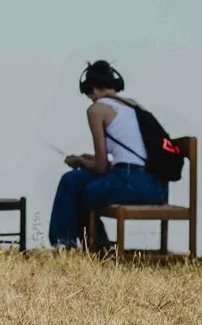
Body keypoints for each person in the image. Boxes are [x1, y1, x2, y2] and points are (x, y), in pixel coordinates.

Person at [46, 60, 169, 251]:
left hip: (131, 181)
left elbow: (102, 167)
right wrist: (89, 160)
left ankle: (69, 245)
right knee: (74, 182)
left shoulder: (97, 109)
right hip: (157, 185)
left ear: (93, 89)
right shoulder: (134, 106)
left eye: (89, 94)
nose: (91, 99)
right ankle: (95, 246)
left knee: (77, 187)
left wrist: (79, 161)